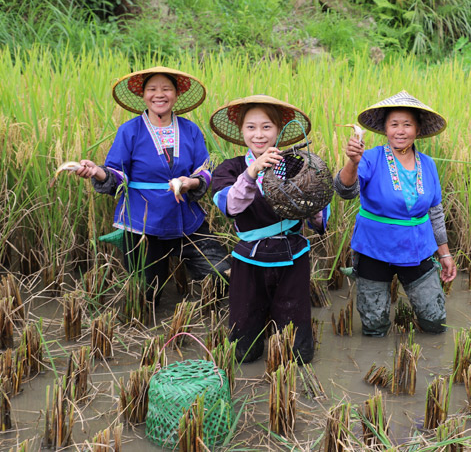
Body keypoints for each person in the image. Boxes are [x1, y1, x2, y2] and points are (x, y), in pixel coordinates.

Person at [74, 67, 230, 303]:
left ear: (176, 95)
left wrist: (191, 182)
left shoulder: (190, 130)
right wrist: (97, 172)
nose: (160, 95)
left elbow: (205, 171)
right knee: (146, 294)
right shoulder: (130, 130)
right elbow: (117, 174)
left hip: (185, 217)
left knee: (220, 274)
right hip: (141, 220)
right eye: (152, 89)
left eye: (166, 89)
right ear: (143, 95)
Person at [209, 95, 324, 364]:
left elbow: (315, 214)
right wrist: (252, 172)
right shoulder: (230, 168)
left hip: (292, 256)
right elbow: (230, 207)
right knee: (244, 348)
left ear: (278, 131)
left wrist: (316, 207)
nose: (258, 135)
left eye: (266, 127)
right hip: (249, 259)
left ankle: (293, 372)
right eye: (251, 127)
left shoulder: (295, 165)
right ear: (241, 131)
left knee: (297, 351)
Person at [334, 90, 457, 337]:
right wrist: (353, 162)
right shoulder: (369, 158)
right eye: (394, 124)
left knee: (435, 322)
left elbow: (435, 212)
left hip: (417, 247)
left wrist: (444, 254)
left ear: (418, 130)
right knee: (374, 325)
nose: (400, 131)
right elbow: (345, 191)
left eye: (407, 125)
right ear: (385, 128)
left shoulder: (429, 164)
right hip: (374, 248)